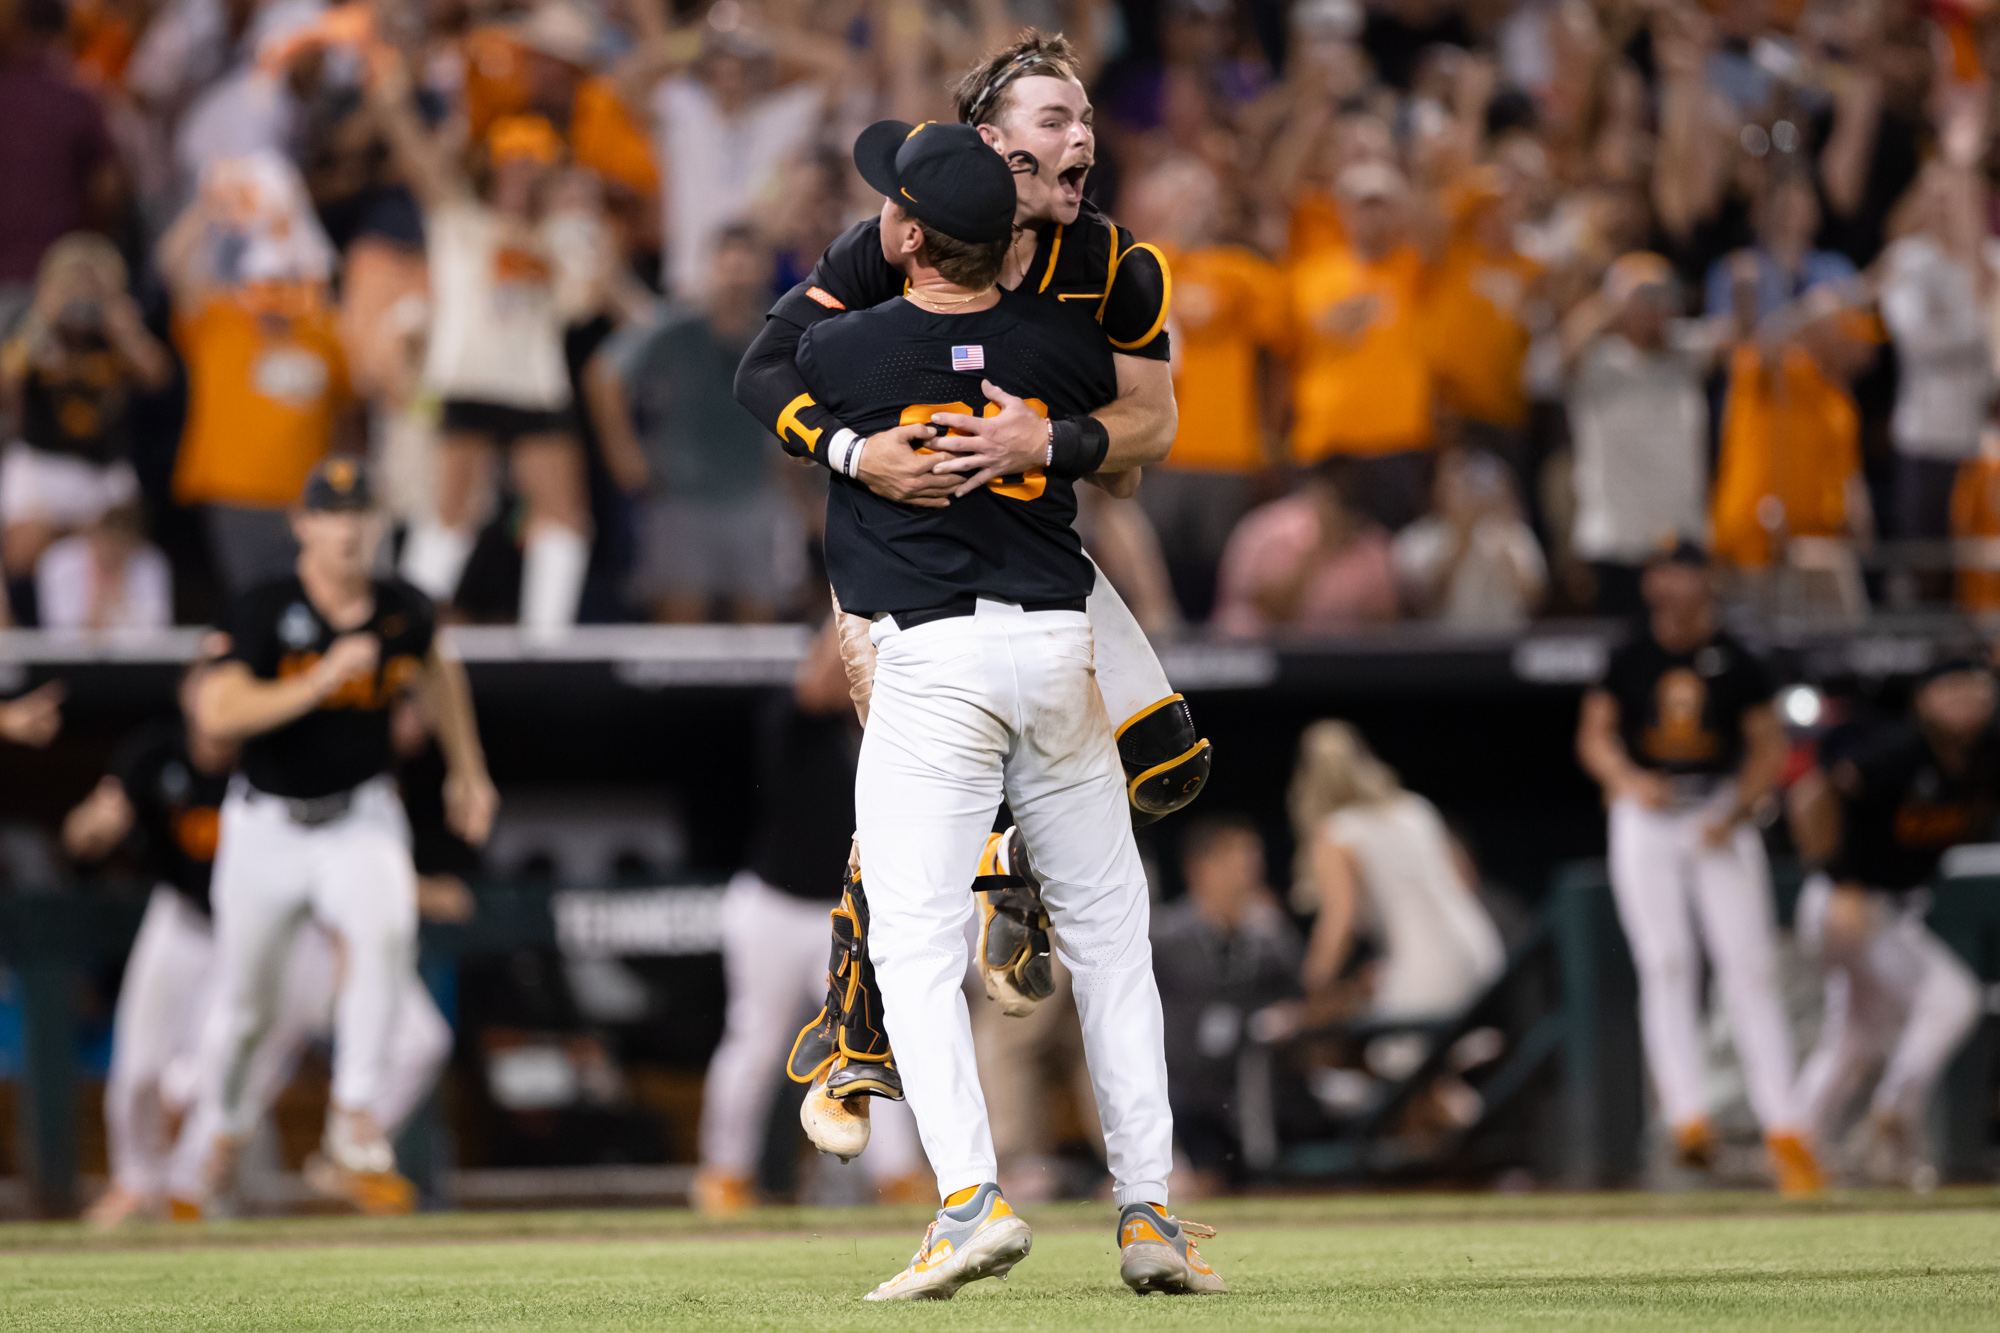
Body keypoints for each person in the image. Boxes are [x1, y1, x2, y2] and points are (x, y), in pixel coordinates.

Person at [736, 32, 1207, 1163]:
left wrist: (1052, 436)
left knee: (1169, 762)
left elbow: (1147, 436)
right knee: (916, 800)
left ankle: (1016, 884)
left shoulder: (1112, 268)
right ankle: (858, 1020)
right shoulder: (889, 238)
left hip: (1032, 553)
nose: (1079, 135)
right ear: (990, 149)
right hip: (904, 570)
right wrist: (858, 453)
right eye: (1052, 117)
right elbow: (763, 369)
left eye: (1085, 115)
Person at [193, 457, 498, 1214]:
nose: (349, 528)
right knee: (245, 1010)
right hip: (267, 823)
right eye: (332, 513)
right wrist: (320, 680)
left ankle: (354, 1114)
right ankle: (226, 1126)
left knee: (386, 928)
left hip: (358, 812)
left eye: (361, 513)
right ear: (303, 523)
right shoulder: (264, 603)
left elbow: (437, 669)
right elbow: (217, 712)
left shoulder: (403, 607)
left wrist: (468, 768)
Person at [67, 650, 454, 1225]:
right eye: (208, 685)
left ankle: (192, 1187)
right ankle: (136, 1179)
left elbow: (337, 847)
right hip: (184, 919)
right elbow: (83, 836)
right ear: (188, 695)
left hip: (273, 929)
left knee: (239, 1057)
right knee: (142, 1068)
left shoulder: (278, 751)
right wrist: (93, 829)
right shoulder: (156, 751)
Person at [1574, 542, 1823, 1195]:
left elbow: (1769, 746)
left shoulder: (1740, 657)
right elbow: (1594, 734)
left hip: (1717, 808)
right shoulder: (1629, 651)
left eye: (1680, 571)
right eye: (1660, 572)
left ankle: (1787, 1129)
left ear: (1706, 579)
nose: (1668, 584)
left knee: (1750, 968)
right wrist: (1628, 779)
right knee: (1665, 960)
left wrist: (1739, 809)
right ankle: (1687, 1118)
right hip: (1647, 811)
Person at [691, 617, 923, 1215]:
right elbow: (817, 680)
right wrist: (853, 611)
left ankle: (899, 1177)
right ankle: (723, 1175)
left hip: (839, 914)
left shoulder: (879, 731)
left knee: (869, 1041)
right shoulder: (797, 716)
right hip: (772, 907)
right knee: (755, 1044)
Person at [370, 54, 596, 635]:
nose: (522, 175)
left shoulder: (562, 238)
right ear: (495, 168)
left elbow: (584, 302)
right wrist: (395, 102)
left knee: (564, 517)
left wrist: (572, 237)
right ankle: (410, 628)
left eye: (535, 166)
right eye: (514, 164)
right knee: (448, 514)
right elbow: (423, 165)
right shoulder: (461, 222)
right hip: (468, 376)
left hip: (533, 384)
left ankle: (547, 644)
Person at [1786, 661, 1991, 1189]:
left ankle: (1797, 1143)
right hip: (1849, 901)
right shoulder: (1897, 749)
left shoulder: (1985, 755)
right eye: (1952, 688)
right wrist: (1841, 877)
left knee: (1854, 1037)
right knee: (1953, 999)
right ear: (1924, 698)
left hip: (1894, 907)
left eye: (1976, 689)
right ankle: (1895, 1111)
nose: (1966, 700)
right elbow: (1809, 795)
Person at [158, 151, 359, 595]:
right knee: (256, 600)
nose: (274, 293)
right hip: (238, 495)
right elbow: (173, 265)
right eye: (265, 282)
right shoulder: (224, 323)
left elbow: (346, 416)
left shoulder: (323, 332)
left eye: (287, 281)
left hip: (308, 501)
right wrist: (209, 206)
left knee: (318, 600)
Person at [588, 224, 791, 623]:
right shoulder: (673, 327)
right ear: (709, 267)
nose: (735, 274)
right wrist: (623, 453)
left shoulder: (777, 333)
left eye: (746, 263)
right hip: (681, 499)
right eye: (726, 262)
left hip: (756, 498)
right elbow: (603, 374)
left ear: (764, 269)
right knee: (679, 634)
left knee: (761, 632)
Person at [1288, 721, 1504, 1055]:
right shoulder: (1415, 808)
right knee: (1440, 1066)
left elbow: (1339, 921)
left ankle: (1455, 1102)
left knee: (1390, 1067)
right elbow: (1463, 879)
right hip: (1482, 950)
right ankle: (1462, 1100)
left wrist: (1308, 991)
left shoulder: (1336, 832)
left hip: (1432, 972)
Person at [0, 234, 170, 601]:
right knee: (22, 553)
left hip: (103, 467)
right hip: (42, 461)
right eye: (72, 286)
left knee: (113, 560)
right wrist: (42, 319)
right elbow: (5, 385)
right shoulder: (27, 322)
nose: (80, 299)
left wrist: (121, 324)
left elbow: (158, 377)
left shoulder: (116, 329)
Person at [1151, 815, 1303, 1195]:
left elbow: (1302, 998)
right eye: (1233, 862)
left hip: (1252, 1087)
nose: (1246, 874)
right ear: (1199, 868)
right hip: (1179, 1093)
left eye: (1251, 862)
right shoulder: (1167, 936)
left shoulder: (1270, 936)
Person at [1285, 161, 1437, 531]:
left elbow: (1439, 229)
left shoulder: (1414, 269)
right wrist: (1368, 300)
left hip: (1397, 441)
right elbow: (1333, 325)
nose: (1374, 217)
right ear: (1343, 211)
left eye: (1384, 206)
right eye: (1364, 205)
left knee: (1390, 561)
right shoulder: (1316, 271)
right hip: (1328, 444)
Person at [1560, 253, 1714, 618]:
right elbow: (1564, 353)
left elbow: (1736, 335)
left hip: (1680, 537)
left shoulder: (1684, 356)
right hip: (1618, 541)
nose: (1653, 307)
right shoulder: (1600, 363)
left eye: (1660, 297)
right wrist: (1615, 299)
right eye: (1644, 298)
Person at [1211, 466, 1398, 638]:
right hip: (1262, 653)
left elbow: (1388, 627)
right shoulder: (1268, 530)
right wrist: (1321, 551)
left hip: (1345, 663)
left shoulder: (1374, 546)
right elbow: (1266, 610)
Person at [1392, 449, 1545, 630]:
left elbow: (1534, 600)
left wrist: (1503, 538)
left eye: (1470, 484)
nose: (1465, 494)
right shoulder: (1418, 538)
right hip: (1444, 647)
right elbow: (1423, 605)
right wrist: (1463, 539)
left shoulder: (1513, 533)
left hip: (1504, 641)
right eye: (1455, 485)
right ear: (1436, 489)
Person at [34, 503, 172, 633]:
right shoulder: (60, 561)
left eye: (120, 544)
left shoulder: (150, 561)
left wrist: (118, 602)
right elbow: (59, 632)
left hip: (139, 656)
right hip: (68, 657)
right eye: (107, 541)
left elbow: (157, 630)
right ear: (93, 534)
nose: (112, 551)